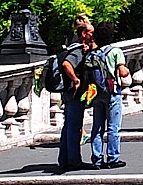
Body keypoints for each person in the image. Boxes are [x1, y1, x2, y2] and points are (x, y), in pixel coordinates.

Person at [83, 20, 126, 169]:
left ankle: (97, 159)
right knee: (113, 127)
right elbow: (122, 72)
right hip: (112, 92)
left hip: (96, 93)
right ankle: (113, 158)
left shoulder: (92, 53)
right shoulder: (115, 51)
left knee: (97, 127)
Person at [54, 29, 89, 172]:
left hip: (67, 92)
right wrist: (76, 79)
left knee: (68, 125)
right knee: (74, 126)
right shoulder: (77, 50)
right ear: (84, 35)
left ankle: (64, 159)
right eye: (91, 32)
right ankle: (73, 161)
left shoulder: (71, 48)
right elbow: (67, 64)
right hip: (73, 92)